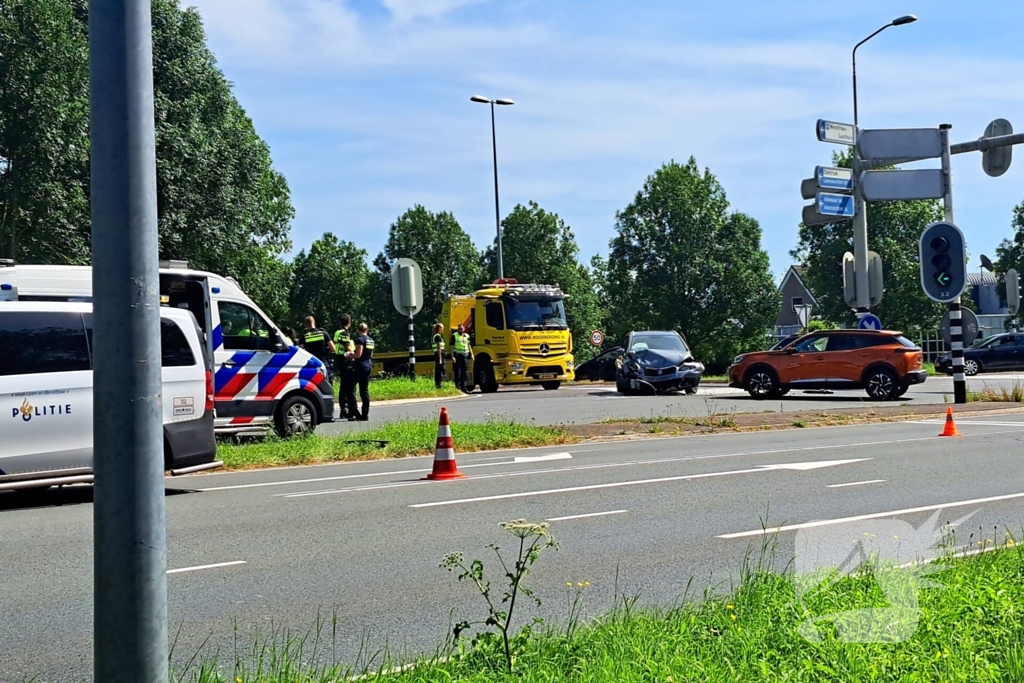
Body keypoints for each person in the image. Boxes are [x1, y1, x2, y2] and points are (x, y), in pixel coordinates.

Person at [348, 323, 375, 421]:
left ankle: (355, 411)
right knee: (364, 390)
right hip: (368, 365)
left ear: (359, 330)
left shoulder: (360, 340)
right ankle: (365, 413)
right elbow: (371, 355)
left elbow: (358, 354)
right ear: (367, 330)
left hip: (360, 366)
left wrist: (350, 355)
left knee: (350, 388)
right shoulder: (371, 340)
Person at [334, 314, 357, 420]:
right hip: (345, 360)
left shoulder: (337, 332)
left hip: (338, 358)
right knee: (347, 385)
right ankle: (346, 409)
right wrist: (353, 354)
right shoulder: (344, 333)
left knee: (343, 384)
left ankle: (343, 409)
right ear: (349, 322)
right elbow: (347, 347)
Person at [300, 316, 335, 381]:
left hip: (311, 363)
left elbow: (301, 351)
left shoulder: (304, 336)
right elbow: (333, 348)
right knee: (327, 382)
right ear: (314, 322)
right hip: (323, 362)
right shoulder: (323, 333)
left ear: (305, 325)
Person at [451, 323, 474, 393]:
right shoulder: (454, 336)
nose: (461, 330)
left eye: (462, 328)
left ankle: (464, 388)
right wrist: (452, 356)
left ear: (464, 329)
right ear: (457, 329)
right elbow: (451, 346)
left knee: (464, 372)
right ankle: (458, 388)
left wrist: (472, 354)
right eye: (459, 329)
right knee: (458, 372)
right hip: (458, 356)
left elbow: (469, 345)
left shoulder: (467, 336)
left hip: (465, 355)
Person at [431, 322, 446, 389]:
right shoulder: (437, 336)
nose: (443, 329)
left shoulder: (438, 336)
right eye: (442, 328)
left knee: (440, 370)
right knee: (440, 370)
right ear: (439, 328)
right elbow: (439, 348)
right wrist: (440, 359)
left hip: (439, 354)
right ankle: (439, 385)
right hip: (439, 355)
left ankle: (439, 385)